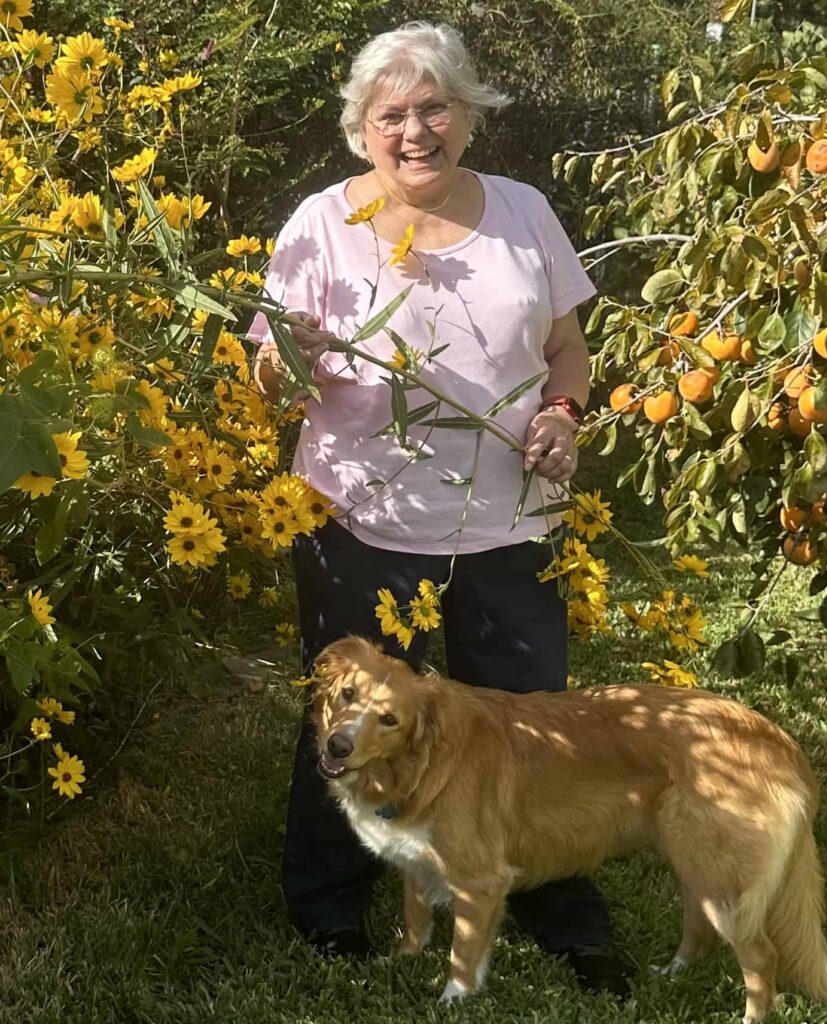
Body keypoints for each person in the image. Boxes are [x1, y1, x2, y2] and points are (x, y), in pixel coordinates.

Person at [247, 20, 630, 996]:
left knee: (535, 729)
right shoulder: (319, 226)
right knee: (344, 718)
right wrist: (283, 369)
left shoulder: (524, 212)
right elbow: (270, 360)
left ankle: (556, 901)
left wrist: (560, 411)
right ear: (360, 130)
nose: (414, 131)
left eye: (434, 108)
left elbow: (567, 350)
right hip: (360, 526)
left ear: (467, 116)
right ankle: (330, 901)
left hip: (512, 523)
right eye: (392, 115)